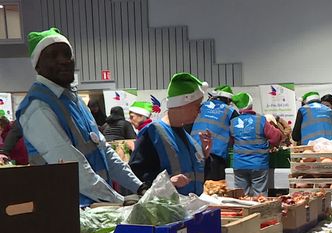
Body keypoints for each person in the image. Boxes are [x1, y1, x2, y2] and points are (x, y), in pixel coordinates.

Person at [16, 27, 144, 206]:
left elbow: (104, 151)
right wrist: (117, 200)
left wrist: (139, 187)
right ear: (37, 65)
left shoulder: (74, 101)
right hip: (64, 211)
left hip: (94, 207)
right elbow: (69, 164)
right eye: (53, 55)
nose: (63, 60)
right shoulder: (38, 106)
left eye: (67, 53)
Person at [129, 72, 211, 195]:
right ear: (182, 105)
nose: (199, 111)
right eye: (197, 106)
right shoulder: (153, 132)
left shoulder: (188, 138)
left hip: (189, 206)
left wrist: (206, 154)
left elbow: (198, 176)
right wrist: (167, 182)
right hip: (167, 210)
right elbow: (137, 174)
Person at [230, 92, 282, 196]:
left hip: (239, 164)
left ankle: (244, 212)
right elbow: (277, 136)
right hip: (258, 164)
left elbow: (230, 142)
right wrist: (269, 145)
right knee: (259, 196)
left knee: (241, 196)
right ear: (251, 105)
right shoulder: (261, 120)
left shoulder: (233, 122)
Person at [191, 84, 238, 181]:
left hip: (194, 152)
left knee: (195, 188)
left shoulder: (201, 106)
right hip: (216, 156)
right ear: (228, 100)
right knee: (214, 190)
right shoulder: (230, 111)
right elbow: (239, 131)